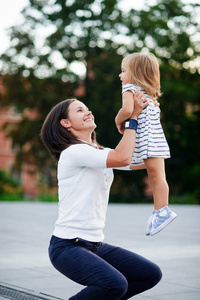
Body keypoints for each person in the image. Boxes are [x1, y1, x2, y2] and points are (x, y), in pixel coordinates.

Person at [40, 95, 162, 300]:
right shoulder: (73, 152)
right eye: (79, 110)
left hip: (95, 245)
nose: (87, 111)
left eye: (87, 108)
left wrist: (150, 115)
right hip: (68, 246)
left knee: (149, 274)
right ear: (66, 123)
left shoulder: (98, 152)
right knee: (114, 284)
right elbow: (122, 157)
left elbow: (143, 159)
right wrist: (132, 118)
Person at [115, 52, 177, 236]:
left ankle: (162, 211)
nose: (120, 75)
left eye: (124, 70)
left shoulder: (129, 88)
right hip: (155, 141)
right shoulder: (148, 96)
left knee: (156, 177)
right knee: (156, 176)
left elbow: (126, 110)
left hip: (147, 142)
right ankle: (159, 210)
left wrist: (117, 120)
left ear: (135, 73)